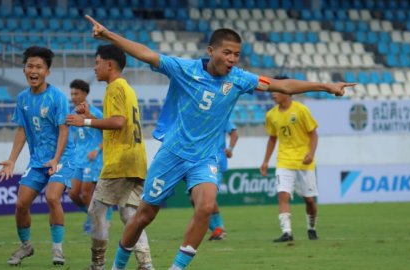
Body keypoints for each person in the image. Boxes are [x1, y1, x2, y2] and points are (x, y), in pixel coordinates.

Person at [84, 15, 354, 270]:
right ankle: (118, 266)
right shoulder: (184, 69)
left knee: (205, 206)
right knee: (144, 215)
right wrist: (108, 34)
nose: (233, 59)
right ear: (211, 51)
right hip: (173, 153)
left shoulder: (240, 79)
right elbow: (145, 53)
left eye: (237, 54)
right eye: (227, 53)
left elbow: (281, 85)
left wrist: (325, 86)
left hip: (205, 158)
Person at [65, 44, 154, 270]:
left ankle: (98, 265)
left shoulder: (113, 88)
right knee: (130, 215)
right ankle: (146, 264)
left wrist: (84, 121)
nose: (94, 68)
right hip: (137, 160)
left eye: (97, 63)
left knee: (96, 212)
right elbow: (117, 124)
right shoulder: (128, 88)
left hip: (119, 162)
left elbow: (117, 122)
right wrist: (90, 116)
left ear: (109, 64)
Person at [0, 46, 75, 266]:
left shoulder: (57, 97)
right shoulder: (22, 99)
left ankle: (57, 250)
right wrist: (12, 159)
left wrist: (56, 159)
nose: (34, 70)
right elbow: (21, 129)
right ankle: (26, 245)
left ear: (47, 72)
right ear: (24, 70)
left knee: (52, 197)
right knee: (21, 204)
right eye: (30, 66)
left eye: (39, 67)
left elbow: (64, 130)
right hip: (37, 161)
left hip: (62, 158)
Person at [260, 76, 320, 242]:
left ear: (287, 91)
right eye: (272, 91)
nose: (273, 94)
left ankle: (311, 227)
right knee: (283, 195)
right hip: (284, 161)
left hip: (304, 162)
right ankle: (287, 232)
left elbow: (313, 134)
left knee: (309, 200)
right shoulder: (271, 115)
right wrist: (265, 161)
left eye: (276, 90)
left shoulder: (301, 110)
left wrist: (311, 153)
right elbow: (272, 138)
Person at [67, 79, 111, 234]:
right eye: (72, 93)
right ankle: (96, 217)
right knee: (72, 193)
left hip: (93, 158)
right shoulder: (71, 115)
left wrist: (97, 150)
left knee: (86, 193)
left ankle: (98, 222)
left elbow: (108, 135)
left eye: (76, 93)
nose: (73, 96)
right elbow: (75, 138)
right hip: (78, 159)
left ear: (85, 94)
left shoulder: (96, 113)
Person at [206, 119, 238, 241]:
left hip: (216, 161)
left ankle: (219, 229)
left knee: (208, 195)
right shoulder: (199, 115)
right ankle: (216, 229)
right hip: (200, 160)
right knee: (195, 199)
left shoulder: (222, 114)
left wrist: (229, 149)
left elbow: (234, 134)